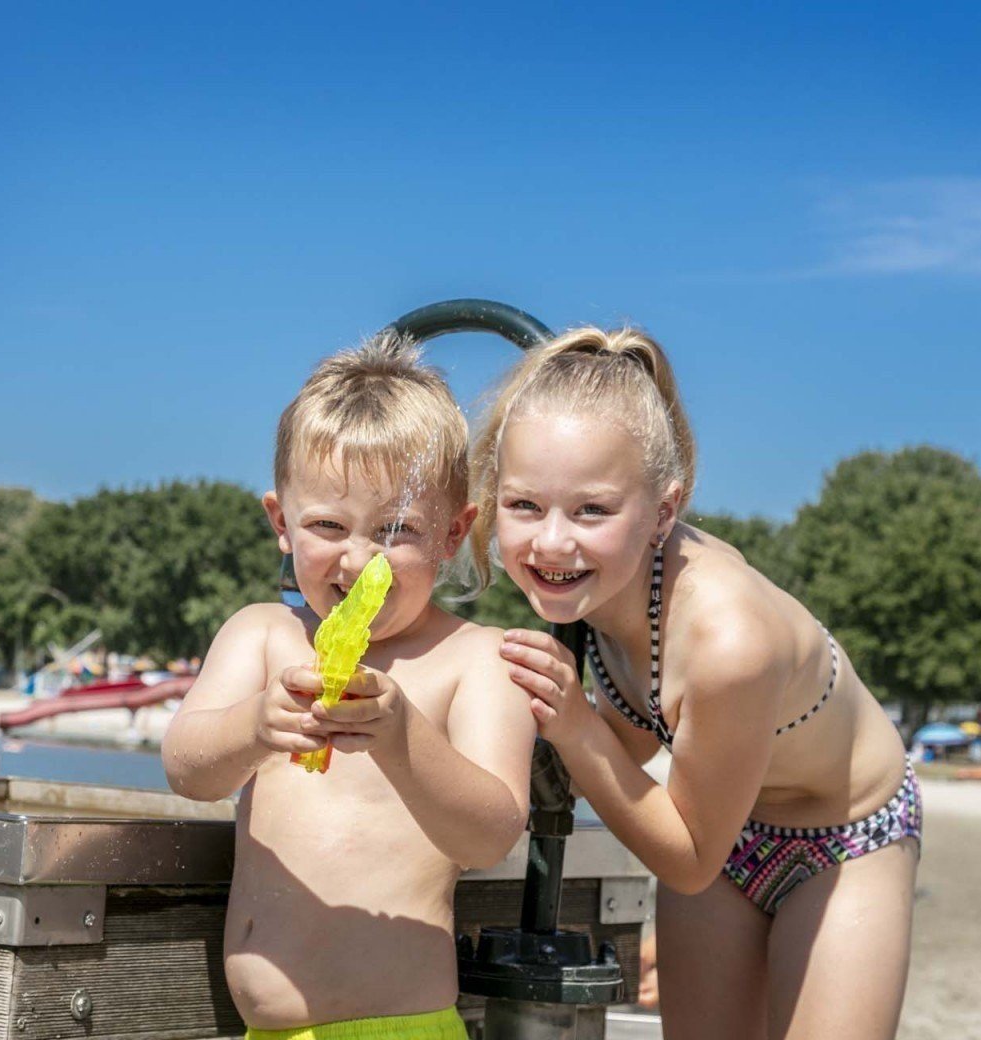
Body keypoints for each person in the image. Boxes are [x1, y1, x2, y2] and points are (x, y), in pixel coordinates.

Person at [470, 327, 920, 1040]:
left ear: (664, 510)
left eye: (592, 510)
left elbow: (685, 859)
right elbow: (622, 752)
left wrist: (578, 726)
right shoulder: (594, 592)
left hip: (845, 840)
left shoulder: (727, 639)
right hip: (721, 833)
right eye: (524, 506)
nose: (552, 543)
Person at [162, 333, 534, 1040]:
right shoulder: (262, 635)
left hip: (401, 1028)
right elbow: (187, 769)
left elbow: (490, 836)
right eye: (329, 525)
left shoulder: (477, 661)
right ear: (281, 523)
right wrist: (252, 726)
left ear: (453, 534)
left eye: (396, 531)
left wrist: (402, 739)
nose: (360, 559)